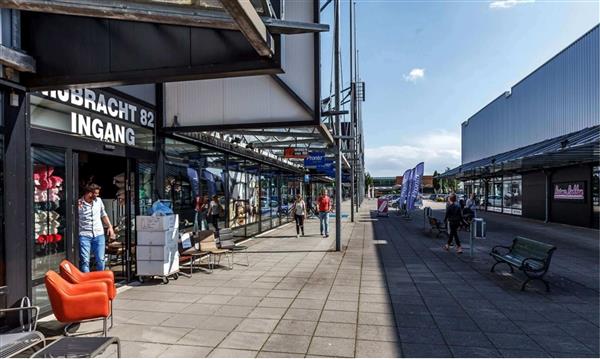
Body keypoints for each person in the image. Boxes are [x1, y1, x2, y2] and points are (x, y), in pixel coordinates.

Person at [78, 184, 115, 272]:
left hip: (98, 234)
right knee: (85, 260)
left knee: (101, 259)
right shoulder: (79, 203)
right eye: (96, 193)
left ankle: (100, 278)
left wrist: (110, 227)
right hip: (84, 235)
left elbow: (103, 214)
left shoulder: (98, 201)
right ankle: (87, 282)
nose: (97, 195)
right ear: (89, 193)